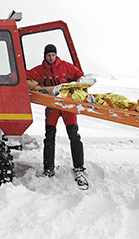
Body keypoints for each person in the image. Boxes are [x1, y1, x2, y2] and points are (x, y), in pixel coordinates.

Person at [26, 44, 89, 190]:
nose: (51, 57)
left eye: (53, 55)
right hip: (52, 107)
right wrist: (40, 88)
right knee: (49, 137)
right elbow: (26, 76)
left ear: (56, 55)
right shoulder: (40, 70)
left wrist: (78, 88)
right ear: (45, 56)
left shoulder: (66, 66)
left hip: (67, 106)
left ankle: (79, 168)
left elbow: (80, 76)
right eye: (48, 55)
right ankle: (48, 169)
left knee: (74, 135)